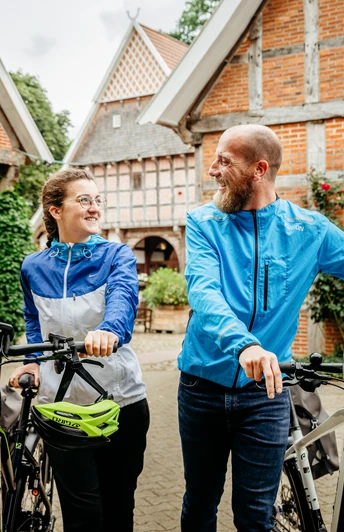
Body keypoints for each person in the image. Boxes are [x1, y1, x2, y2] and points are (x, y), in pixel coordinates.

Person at [178, 124, 344, 531]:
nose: (213, 170)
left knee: (255, 513)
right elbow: (204, 291)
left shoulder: (310, 230)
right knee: (200, 501)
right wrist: (244, 345)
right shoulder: (203, 222)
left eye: (224, 161)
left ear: (259, 169)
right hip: (201, 388)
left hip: (266, 393)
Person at [9, 167, 149, 532]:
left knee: (119, 506)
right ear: (55, 210)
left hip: (121, 401)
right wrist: (34, 362)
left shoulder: (116, 255)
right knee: (82, 514)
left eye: (97, 200)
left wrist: (108, 331)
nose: (94, 208)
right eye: (83, 200)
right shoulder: (33, 266)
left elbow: (123, 301)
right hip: (61, 408)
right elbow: (33, 318)